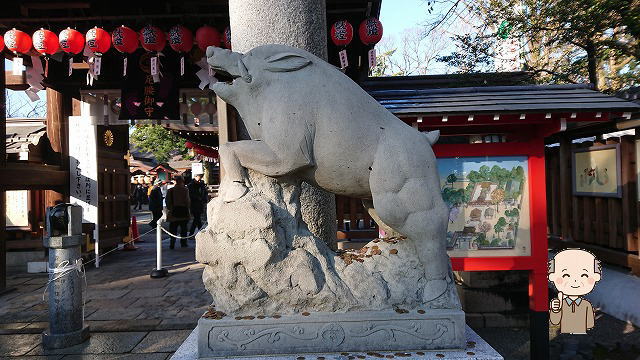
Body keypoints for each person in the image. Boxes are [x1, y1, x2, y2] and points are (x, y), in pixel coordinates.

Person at [548, 249, 601, 334]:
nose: (575, 280)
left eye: (584, 275)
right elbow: (554, 321)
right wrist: (555, 310)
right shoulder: (561, 303)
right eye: (566, 275)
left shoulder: (586, 305)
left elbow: (589, 323)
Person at [165, 176, 191, 249]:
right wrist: (188, 208)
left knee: (173, 229)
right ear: (182, 182)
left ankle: (172, 243)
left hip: (173, 211)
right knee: (184, 229)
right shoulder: (185, 190)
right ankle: (183, 243)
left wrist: (170, 208)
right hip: (183, 211)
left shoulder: (171, 190)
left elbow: (167, 201)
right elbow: (187, 201)